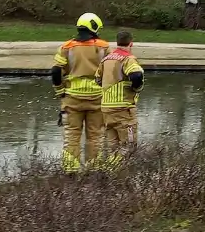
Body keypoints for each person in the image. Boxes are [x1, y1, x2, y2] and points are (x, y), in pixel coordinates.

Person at [51, 12, 110, 173]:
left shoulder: (66, 47)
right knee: (95, 137)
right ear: (94, 27)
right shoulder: (104, 47)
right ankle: (94, 170)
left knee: (71, 136)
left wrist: (60, 92)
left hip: (72, 98)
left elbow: (56, 72)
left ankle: (71, 172)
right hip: (98, 98)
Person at [99, 29, 144, 170]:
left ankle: (112, 177)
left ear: (117, 43)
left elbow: (97, 79)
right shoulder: (128, 59)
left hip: (106, 110)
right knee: (129, 148)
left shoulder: (106, 59)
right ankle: (126, 179)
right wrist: (135, 89)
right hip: (123, 109)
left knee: (113, 149)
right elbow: (136, 75)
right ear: (131, 43)